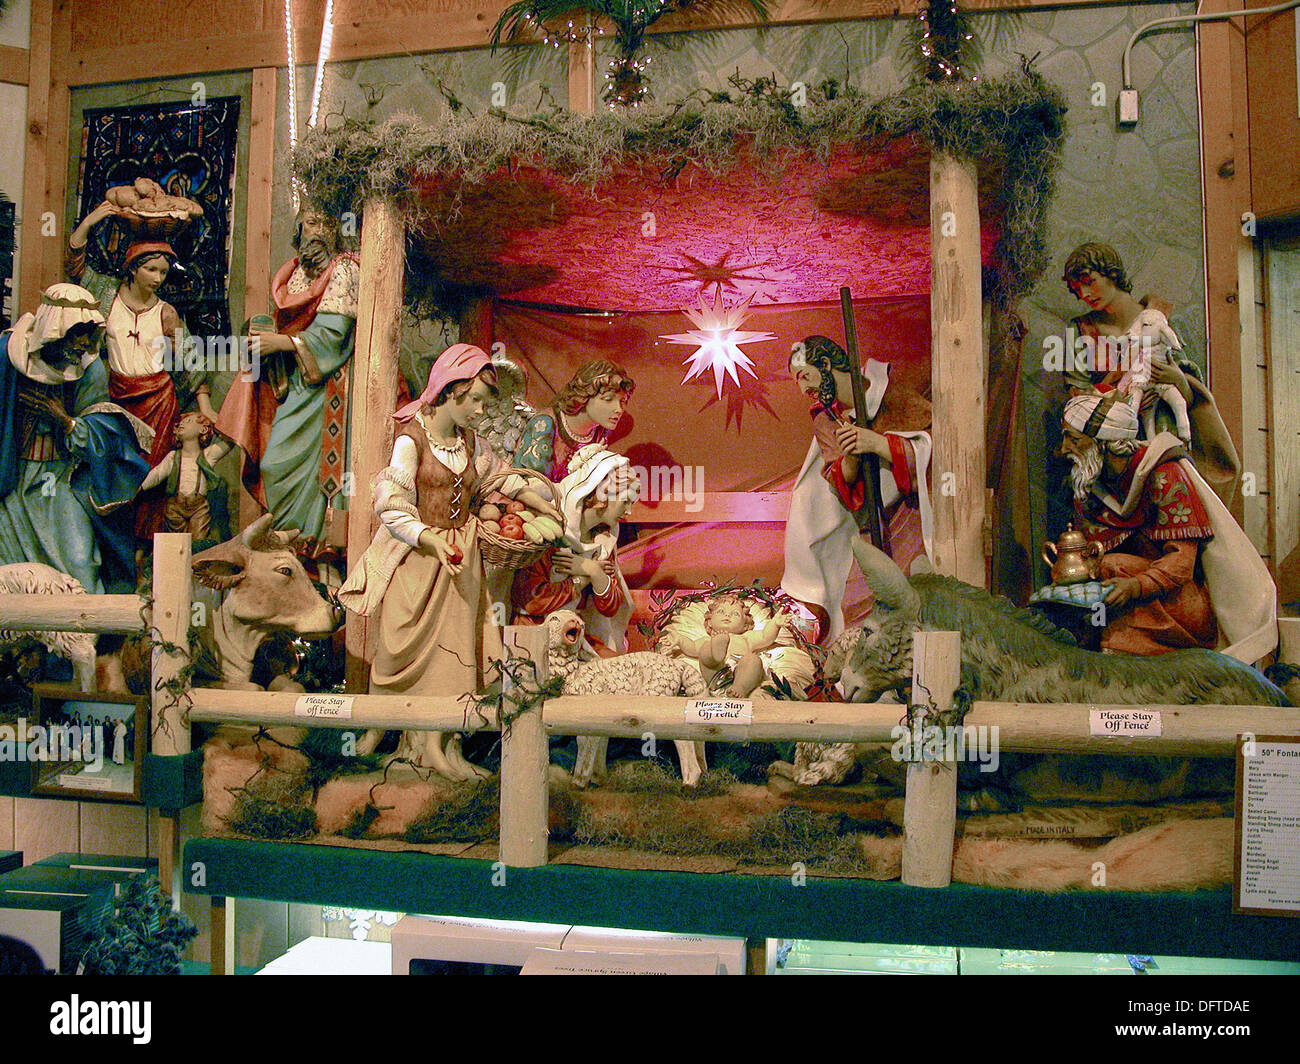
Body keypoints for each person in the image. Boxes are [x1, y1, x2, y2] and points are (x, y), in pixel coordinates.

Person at [339, 344, 564, 781]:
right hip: (419, 558)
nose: (481, 411)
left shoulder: (471, 443)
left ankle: (445, 747)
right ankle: (396, 734)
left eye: (484, 401)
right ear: (450, 390)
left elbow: (504, 478)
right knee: (398, 645)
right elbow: (390, 504)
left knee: (457, 653)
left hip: (463, 559)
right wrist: (428, 538)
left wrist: (538, 500)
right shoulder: (411, 438)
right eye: (475, 399)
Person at [1058, 391, 1275, 660]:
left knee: (1113, 566)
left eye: (1074, 439)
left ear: (1103, 443)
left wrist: (1135, 586)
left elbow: (1182, 562)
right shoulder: (1092, 484)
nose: (1064, 449)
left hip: (1181, 605)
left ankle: (1135, 647)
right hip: (1127, 597)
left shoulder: (1163, 474)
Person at [215, 205, 360, 564]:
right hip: (295, 382)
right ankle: (288, 550)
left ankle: (314, 550)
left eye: (326, 224)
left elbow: (333, 336)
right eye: (311, 223)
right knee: (275, 463)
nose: (317, 232)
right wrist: (264, 338)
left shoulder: (343, 268)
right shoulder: (293, 275)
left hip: (328, 387)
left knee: (281, 461)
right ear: (299, 227)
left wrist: (282, 343)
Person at [0, 284, 151, 593]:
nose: (83, 343)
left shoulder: (89, 370)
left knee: (80, 559)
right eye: (77, 332)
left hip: (61, 477)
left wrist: (64, 420)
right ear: (52, 329)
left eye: (89, 332)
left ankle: (85, 634)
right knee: (10, 562)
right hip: (14, 479)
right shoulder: (9, 357)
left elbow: (100, 433)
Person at [781, 334, 933, 641]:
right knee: (856, 607)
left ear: (825, 364)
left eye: (805, 376)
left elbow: (933, 445)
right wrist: (850, 452)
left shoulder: (891, 392)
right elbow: (840, 479)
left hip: (910, 520)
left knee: (916, 602)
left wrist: (878, 443)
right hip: (865, 525)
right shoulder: (826, 421)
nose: (804, 389)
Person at [1061, 242, 1239, 495]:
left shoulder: (1158, 319)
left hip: (1162, 434)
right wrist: (1115, 403)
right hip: (1110, 444)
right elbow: (1076, 398)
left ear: (1112, 273)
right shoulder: (1078, 330)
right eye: (1078, 290)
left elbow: (1188, 398)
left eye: (1089, 282)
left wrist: (1177, 378)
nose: (1085, 294)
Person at [511, 443, 640, 654]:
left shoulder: (603, 539)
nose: (628, 512)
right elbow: (532, 599)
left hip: (575, 633)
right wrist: (580, 581)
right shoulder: (550, 531)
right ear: (602, 495)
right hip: (536, 635)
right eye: (624, 502)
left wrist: (594, 571)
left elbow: (610, 607)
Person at [514, 360, 634, 480]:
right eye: (608, 399)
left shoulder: (600, 432)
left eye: (623, 401)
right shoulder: (545, 425)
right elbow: (531, 483)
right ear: (584, 395)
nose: (618, 409)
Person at [138, 410, 233, 545]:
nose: (182, 424)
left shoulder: (208, 455)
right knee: (176, 543)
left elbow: (230, 443)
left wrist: (216, 424)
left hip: (198, 508)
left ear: (203, 429)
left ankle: (196, 564)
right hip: (175, 507)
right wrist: (139, 487)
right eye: (181, 422)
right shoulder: (173, 456)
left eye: (188, 421)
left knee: (198, 541)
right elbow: (157, 474)